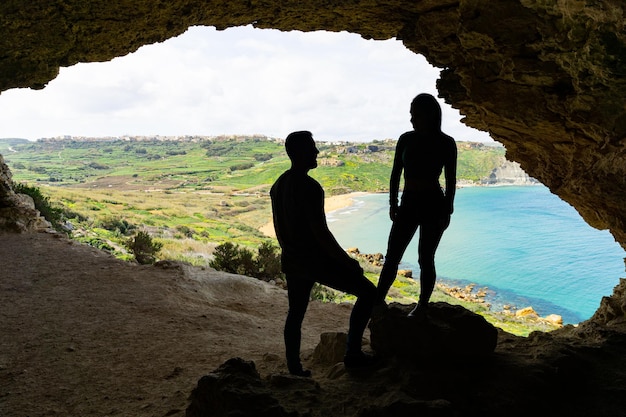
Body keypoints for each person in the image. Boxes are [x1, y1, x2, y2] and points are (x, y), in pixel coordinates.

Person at [270, 130, 378, 377]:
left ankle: (294, 367)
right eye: (312, 147)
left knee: (295, 313)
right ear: (299, 152)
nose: (317, 152)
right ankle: (353, 353)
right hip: (315, 260)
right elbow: (321, 233)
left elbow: (278, 226)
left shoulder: (279, 184)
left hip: (293, 259)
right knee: (368, 292)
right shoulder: (310, 187)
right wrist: (347, 261)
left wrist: (289, 251)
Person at [376, 93, 457, 319]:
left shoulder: (446, 143)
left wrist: (448, 210)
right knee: (392, 255)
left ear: (430, 116)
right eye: (411, 115)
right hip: (409, 202)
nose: (412, 120)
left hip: (433, 204)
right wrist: (393, 203)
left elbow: (451, 180)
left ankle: (422, 305)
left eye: (416, 115)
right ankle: (378, 299)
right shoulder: (406, 139)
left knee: (425, 257)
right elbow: (395, 175)